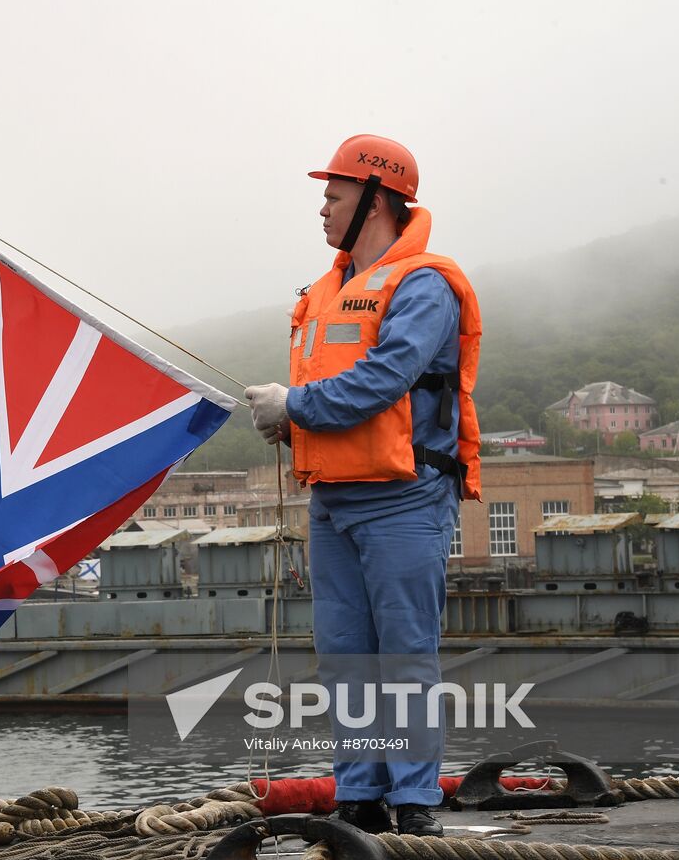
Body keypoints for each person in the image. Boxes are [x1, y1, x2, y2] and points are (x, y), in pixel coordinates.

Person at [244, 134, 482, 838]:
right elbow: (330, 390)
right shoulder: (327, 291)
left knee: (404, 653)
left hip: (405, 498)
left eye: (334, 194)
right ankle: (358, 793)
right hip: (333, 500)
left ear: (375, 200)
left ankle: (413, 803)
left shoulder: (424, 285)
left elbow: (384, 379)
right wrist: (288, 423)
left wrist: (295, 406)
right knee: (346, 656)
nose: (322, 207)